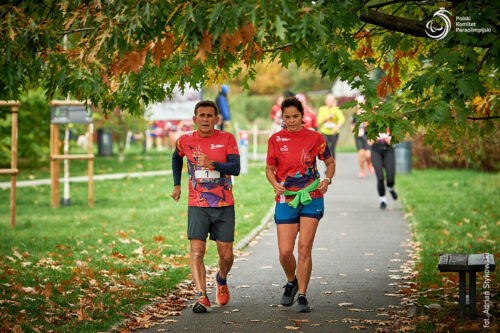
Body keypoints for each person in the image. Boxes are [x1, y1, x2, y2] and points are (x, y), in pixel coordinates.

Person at [266, 96, 335, 312]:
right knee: (285, 252)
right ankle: (291, 281)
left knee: (304, 248)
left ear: (302, 116)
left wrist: (327, 179)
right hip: (286, 197)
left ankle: (302, 295)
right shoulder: (275, 140)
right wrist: (274, 184)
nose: (292, 121)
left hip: (311, 196)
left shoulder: (316, 138)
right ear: (282, 117)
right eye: (287, 117)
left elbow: (329, 163)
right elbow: (269, 169)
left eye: (295, 116)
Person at [171, 100, 240, 313]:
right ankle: (201, 296)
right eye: (202, 115)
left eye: (210, 116)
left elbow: (235, 168)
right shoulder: (185, 141)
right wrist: (177, 185)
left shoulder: (227, 138)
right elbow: (176, 158)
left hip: (224, 203)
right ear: (194, 119)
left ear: (216, 120)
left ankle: (221, 278)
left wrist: (213, 165)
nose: (206, 119)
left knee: (226, 255)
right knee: (197, 251)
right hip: (197, 204)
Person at [369, 129, 398, 209]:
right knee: (380, 177)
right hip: (375, 150)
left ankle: (390, 188)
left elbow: (396, 137)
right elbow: (368, 140)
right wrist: (372, 139)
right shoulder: (370, 121)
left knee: (390, 178)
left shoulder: (391, 121)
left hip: (388, 150)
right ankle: (383, 200)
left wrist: (391, 139)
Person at [317, 94, 345, 160]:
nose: (331, 101)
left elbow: (342, 119)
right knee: (326, 149)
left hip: (334, 132)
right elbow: (319, 121)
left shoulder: (336, 109)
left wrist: (336, 128)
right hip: (324, 132)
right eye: (329, 100)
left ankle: (331, 166)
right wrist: (328, 117)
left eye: (332, 100)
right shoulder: (322, 109)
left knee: (332, 149)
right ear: (326, 101)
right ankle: (327, 166)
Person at [351, 98, 374, 178]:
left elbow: (371, 125)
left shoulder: (368, 114)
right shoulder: (354, 115)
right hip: (358, 137)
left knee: (368, 155)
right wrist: (353, 129)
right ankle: (362, 170)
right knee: (361, 153)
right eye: (358, 103)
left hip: (367, 136)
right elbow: (352, 125)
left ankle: (369, 164)